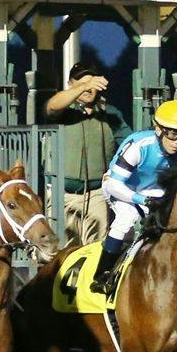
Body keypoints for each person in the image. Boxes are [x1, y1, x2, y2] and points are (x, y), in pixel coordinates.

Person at [88, 99, 177, 296]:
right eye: (172, 133)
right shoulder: (139, 145)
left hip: (152, 191)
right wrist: (142, 200)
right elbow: (113, 184)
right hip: (120, 187)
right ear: (158, 129)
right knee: (126, 220)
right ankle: (101, 275)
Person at [44, 59, 129, 246]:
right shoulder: (64, 110)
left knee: (95, 249)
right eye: (81, 83)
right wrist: (84, 86)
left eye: (92, 83)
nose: (88, 89)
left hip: (97, 194)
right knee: (61, 252)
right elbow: (52, 106)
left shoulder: (110, 113)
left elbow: (129, 143)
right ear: (69, 85)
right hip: (62, 194)